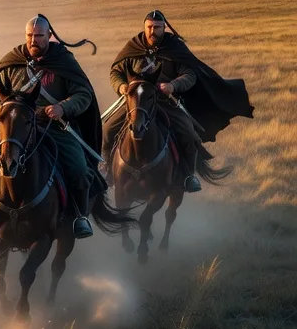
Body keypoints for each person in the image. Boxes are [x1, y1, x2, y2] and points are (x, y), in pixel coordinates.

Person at [0, 15, 103, 237]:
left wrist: (63, 107)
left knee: (79, 169)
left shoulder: (64, 62)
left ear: (49, 36)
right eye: (30, 36)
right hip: (14, 127)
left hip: (53, 126)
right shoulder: (13, 60)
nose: (33, 40)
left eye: (39, 36)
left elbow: (83, 93)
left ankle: (79, 216)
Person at [104, 10, 253, 192]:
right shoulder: (134, 47)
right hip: (138, 102)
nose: (153, 31)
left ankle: (189, 176)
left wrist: (173, 86)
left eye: (157, 28)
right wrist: (121, 87)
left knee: (189, 133)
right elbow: (116, 72)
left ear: (164, 27)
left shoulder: (174, 47)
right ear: (144, 27)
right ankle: (107, 172)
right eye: (149, 27)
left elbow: (190, 74)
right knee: (108, 129)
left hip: (167, 102)